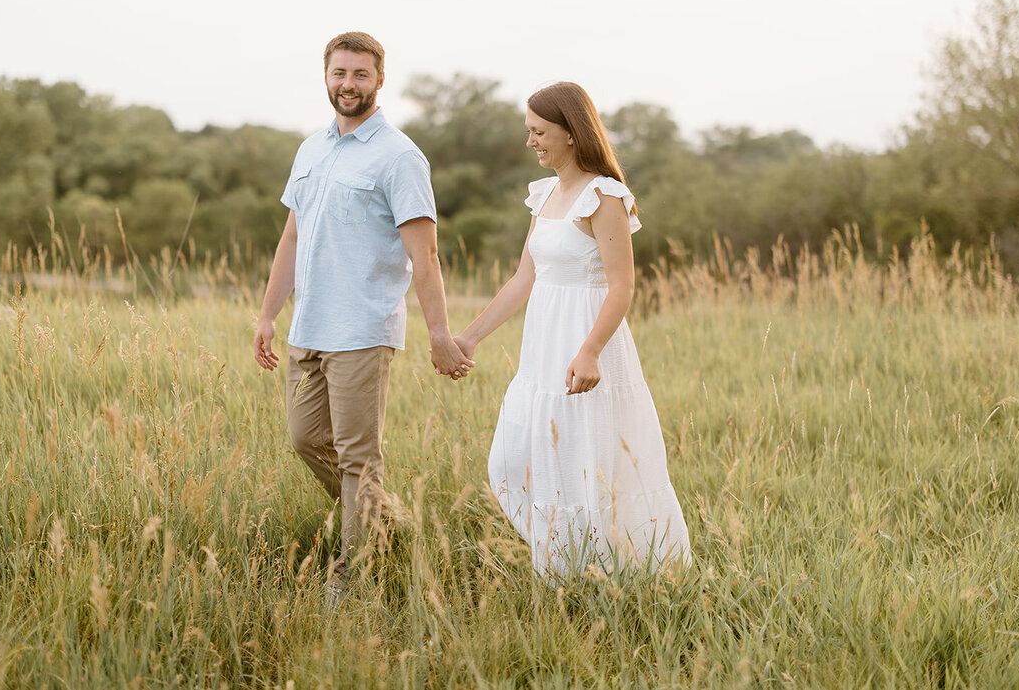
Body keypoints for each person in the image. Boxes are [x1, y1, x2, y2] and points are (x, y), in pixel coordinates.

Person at [253, 32, 473, 593]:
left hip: (362, 330)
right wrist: (267, 314)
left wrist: (440, 334)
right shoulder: (311, 149)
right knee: (305, 439)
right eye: (339, 73)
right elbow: (292, 237)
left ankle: (354, 575)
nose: (348, 84)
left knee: (357, 458)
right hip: (309, 328)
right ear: (326, 75)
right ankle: (386, 522)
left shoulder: (400, 156)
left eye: (359, 75)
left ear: (379, 80)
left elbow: (424, 254)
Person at [454, 81, 691, 579]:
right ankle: (566, 565)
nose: (530, 141)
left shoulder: (604, 195)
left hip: (584, 342)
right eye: (529, 131)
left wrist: (591, 352)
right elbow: (524, 277)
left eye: (539, 132)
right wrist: (470, 337)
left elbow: (623, 286)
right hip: (542, 348)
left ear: (570, 133)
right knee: (514, 459)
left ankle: (602, 576)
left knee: (583, 459)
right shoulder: (545, 193)